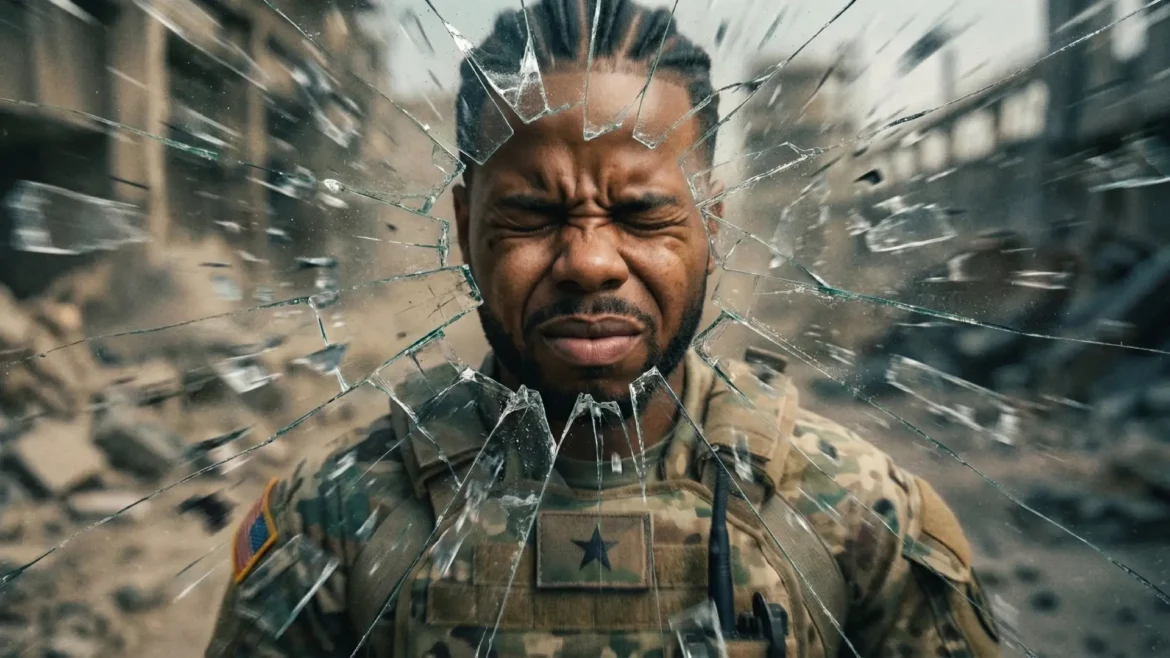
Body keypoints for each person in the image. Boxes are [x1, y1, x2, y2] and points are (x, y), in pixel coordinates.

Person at [205, 1, 1001, 656]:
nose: (589, 263)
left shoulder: (857, 519)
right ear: (465, 225)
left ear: (713, 223)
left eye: (642, 213)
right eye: (532, 214)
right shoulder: (333, 527)